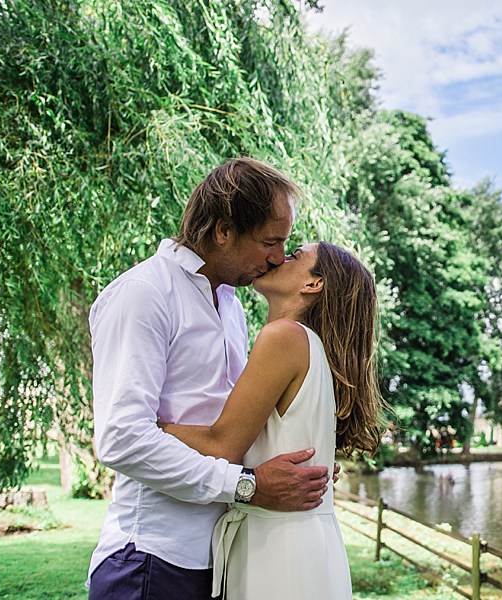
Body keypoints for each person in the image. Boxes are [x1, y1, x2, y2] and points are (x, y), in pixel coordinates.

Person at [87, 158, 333, 600]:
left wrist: (299, 465)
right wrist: (246, 487)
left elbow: (235, 426)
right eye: (269, 242)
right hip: (153, 560)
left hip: (219, 559)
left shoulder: (231, 306)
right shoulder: (144, 294)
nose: (278, 257)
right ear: (224, 231)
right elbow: (120, 437)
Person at [159, 241, 384, 600]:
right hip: (304, 540)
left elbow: (222, 444)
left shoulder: (284, 337)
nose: (279, 257)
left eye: (294, 256)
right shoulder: (312, 348)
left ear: (313, 284)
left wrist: (150, 428)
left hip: (280, 547)